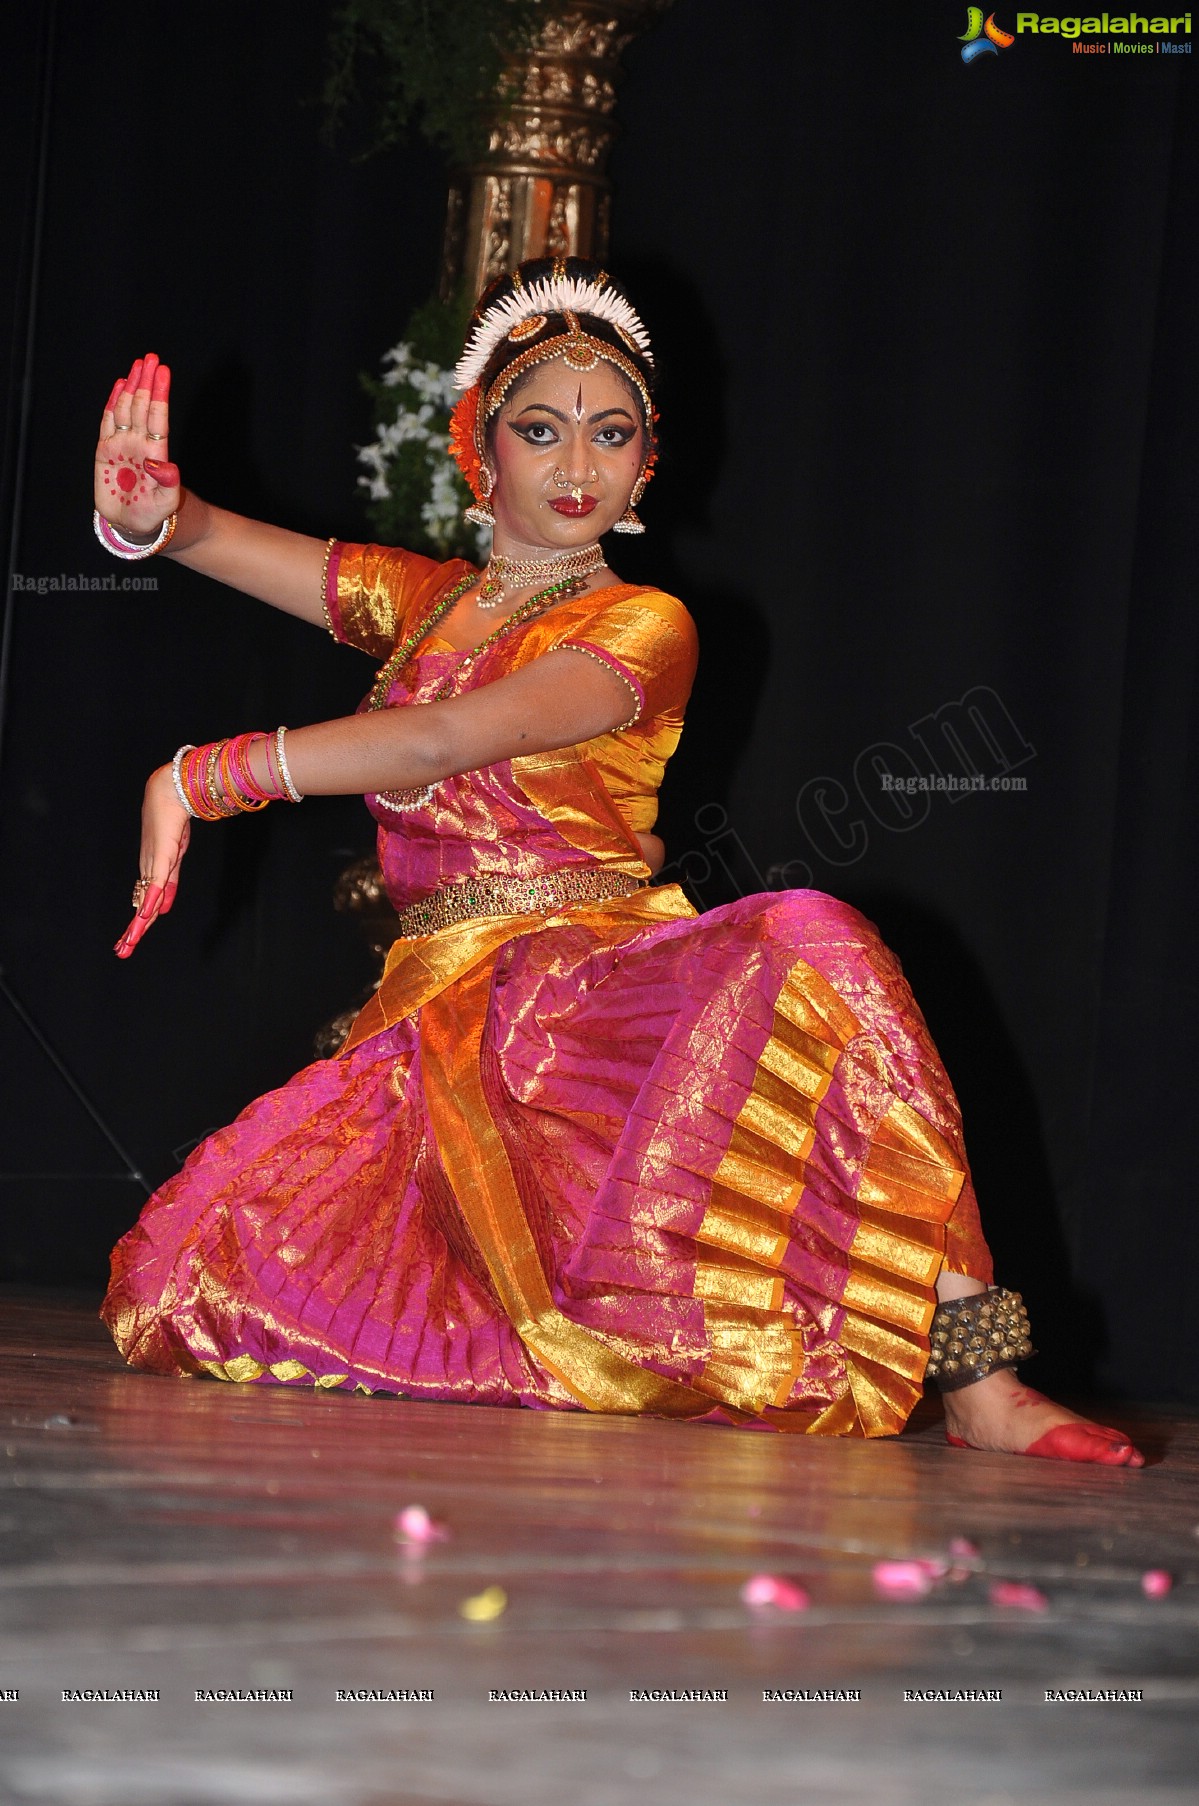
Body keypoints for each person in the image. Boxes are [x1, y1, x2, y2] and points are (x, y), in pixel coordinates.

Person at [96, 256, 1141, 1465]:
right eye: (542, 432)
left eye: (611, 435)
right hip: (438, 1025)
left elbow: (443, 735)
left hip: (595, 1007)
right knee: (172, 1289)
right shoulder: (425, 602)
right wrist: (145, 519)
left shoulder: (642, 625)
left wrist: (201, 776)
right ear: (480, 450)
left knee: (816, 938)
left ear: (646, 465)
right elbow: (207, 532)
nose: (577, 466)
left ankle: (982, 1379)